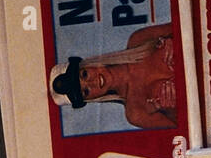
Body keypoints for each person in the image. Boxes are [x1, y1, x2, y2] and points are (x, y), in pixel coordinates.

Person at [48, 23, 178, 129]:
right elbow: (185, 136)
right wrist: (170, 109)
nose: (93, 83)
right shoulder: (136, 113)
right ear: (93, 98)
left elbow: (185, 22)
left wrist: (177, 43)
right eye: (86, 91)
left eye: (85, 75)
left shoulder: (139, 40)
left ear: (87, 64)